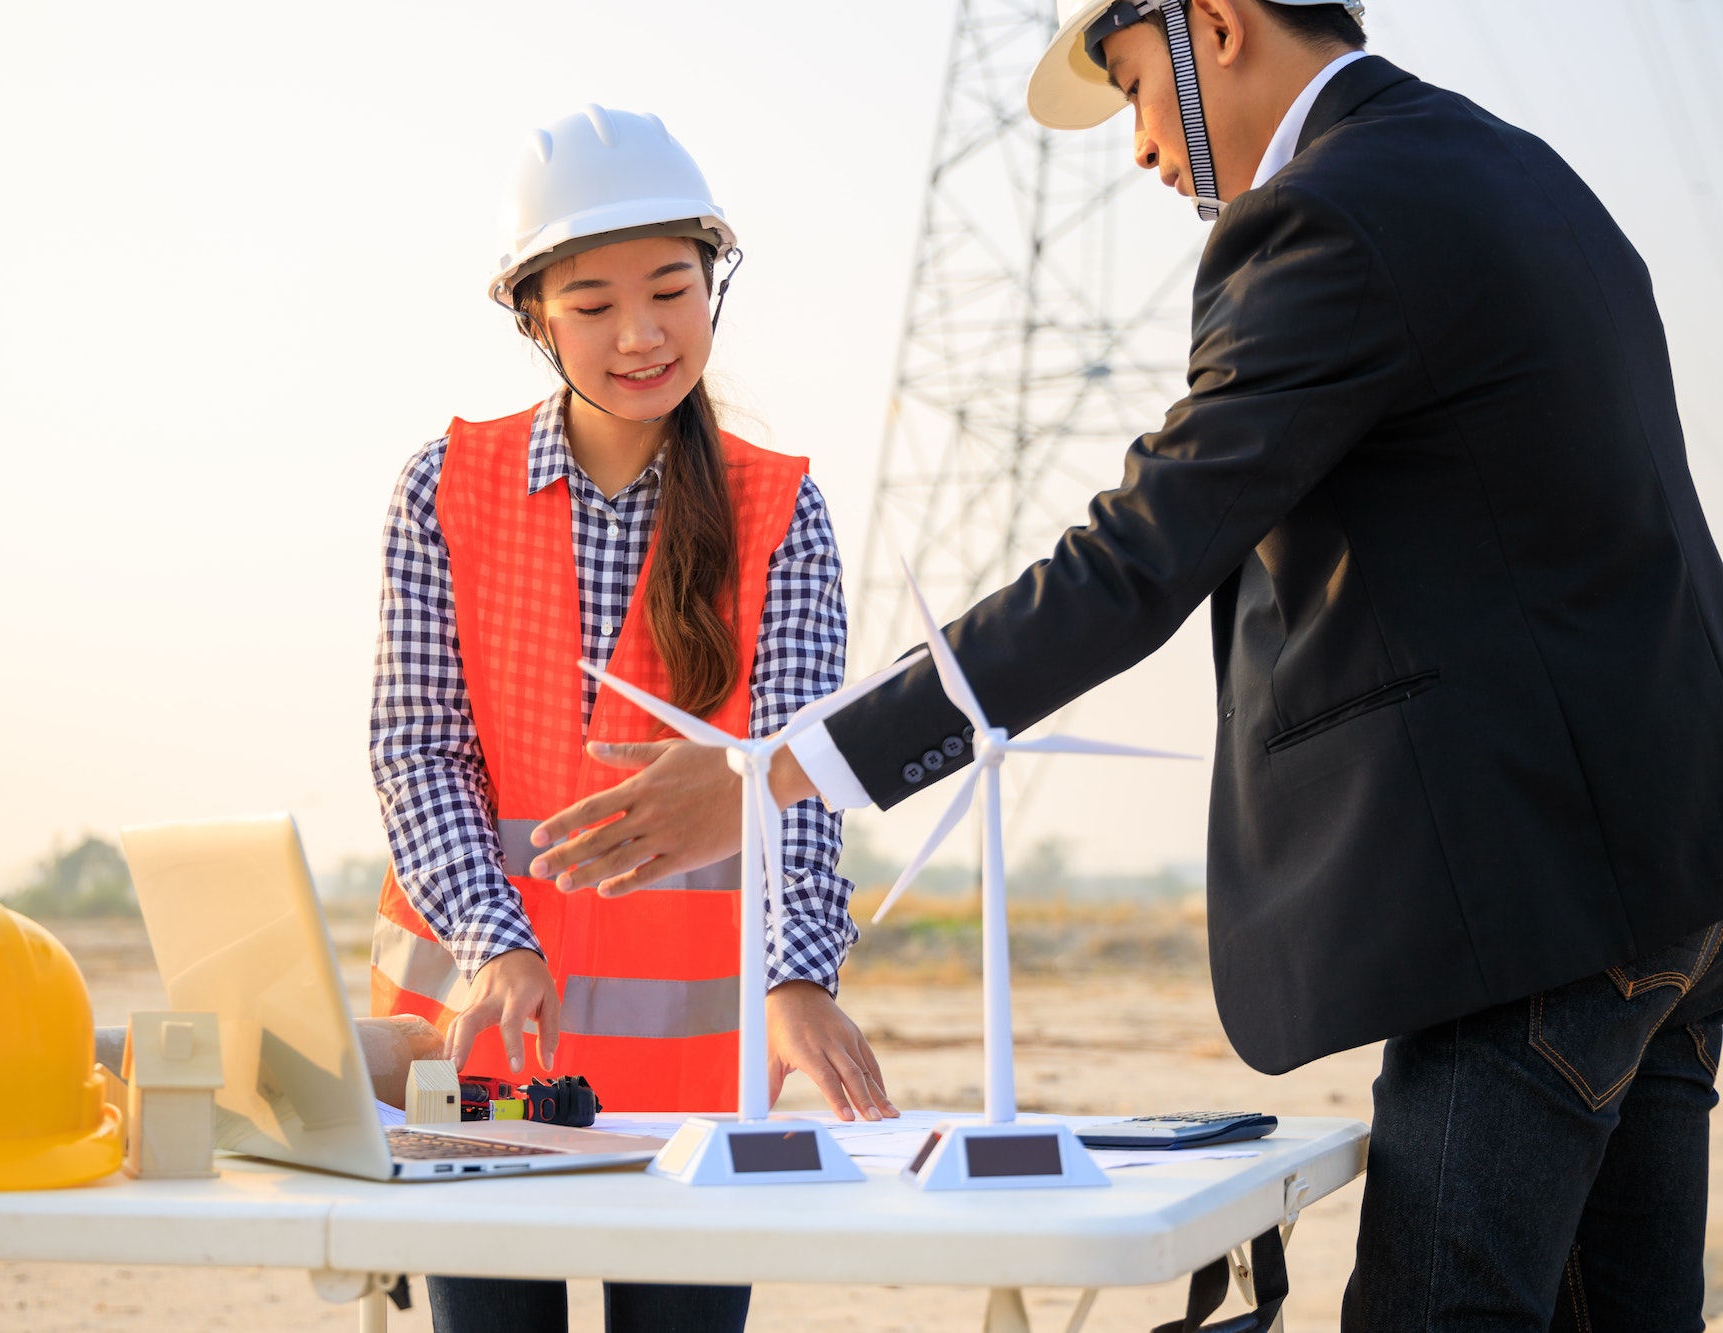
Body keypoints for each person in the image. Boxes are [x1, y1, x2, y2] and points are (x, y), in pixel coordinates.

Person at [525, 6, 1723, 1330]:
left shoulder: (1332, 214)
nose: (1143, 146)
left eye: (1133, 81)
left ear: (1214, 25)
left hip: (1536, 897)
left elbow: (1133, 563)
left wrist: (779, 773)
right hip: (1673, 869)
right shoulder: (1520, 169)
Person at [367, 104, 895, 1333]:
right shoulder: (445, 486)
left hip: (695, 1078)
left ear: (717, 285)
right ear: (533, 317)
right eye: (592, 303)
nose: (640, 333)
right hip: (480, 1042)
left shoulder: (780, 513)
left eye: (670, 288)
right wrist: (495, 941)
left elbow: (796, 781)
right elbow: (417, 749)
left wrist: (800, 975)